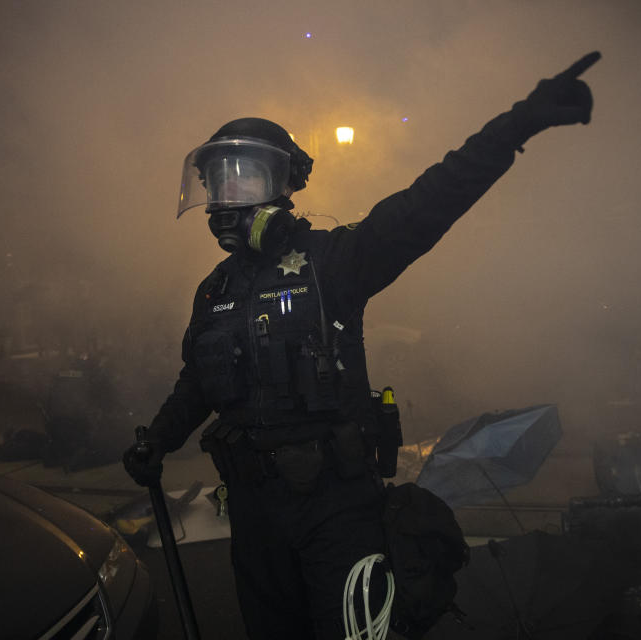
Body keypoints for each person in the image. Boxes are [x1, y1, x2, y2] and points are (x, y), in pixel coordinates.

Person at [123, 51, 601, 639]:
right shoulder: (214, 290)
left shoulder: (334, 261)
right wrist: (160, 438)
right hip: (253, 514)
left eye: (244, 175)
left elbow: (431, 200)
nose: (228, 191)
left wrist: (518, 123)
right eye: (219, 178)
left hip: (337, 509)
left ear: (285, 184)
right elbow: (196, 382)